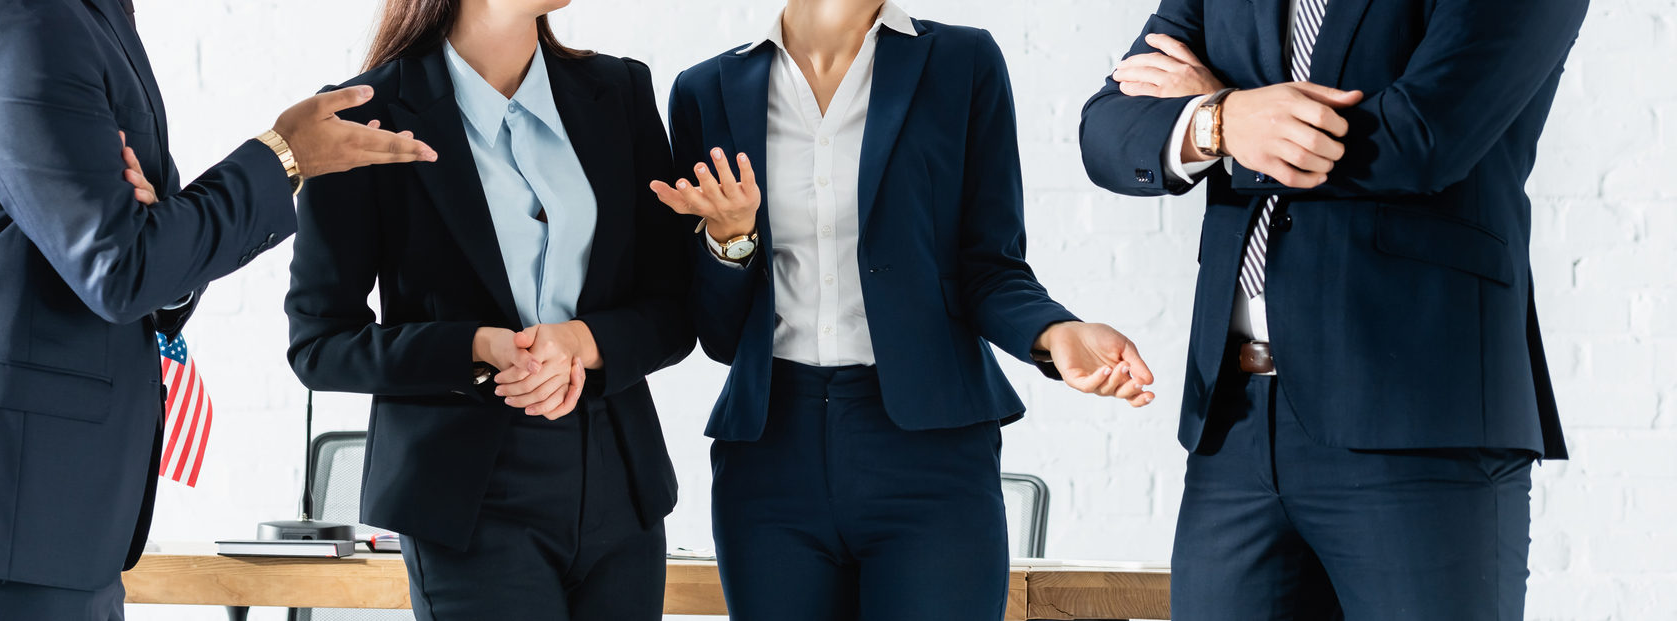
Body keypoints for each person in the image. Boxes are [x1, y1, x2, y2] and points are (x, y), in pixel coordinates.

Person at [0, 0, 436, 617]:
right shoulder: (21, 17)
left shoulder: (95, 19)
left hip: (43, 522)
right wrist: (284, 157)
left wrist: (154, 244)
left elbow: (149, 256)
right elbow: (120, 267)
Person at [1080, 0, 1586, 618]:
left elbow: (1423, 134)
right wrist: (1226, 119)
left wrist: (1224, 115)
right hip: (1232, 427)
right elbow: (1109, 126)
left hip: (1418, 418)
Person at [655, 1, 1158, 618]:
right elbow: (720, 333)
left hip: (930, 456)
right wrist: (732, 237)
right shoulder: (706, 89)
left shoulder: (961, 61)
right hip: (768, 459)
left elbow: (989, 265)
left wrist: (1055, 332)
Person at [282, 1, 691, 619]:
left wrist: (582, 341)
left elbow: (675, 306)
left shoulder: (619, 90)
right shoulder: (364, 114)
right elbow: (319, 343)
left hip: (620, 483)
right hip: (466, 495)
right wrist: (476, 347)